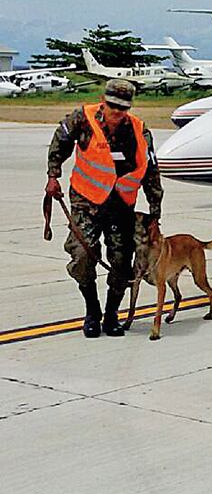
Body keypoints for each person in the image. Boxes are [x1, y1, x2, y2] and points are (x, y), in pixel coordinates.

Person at [45, 79, 163, 338]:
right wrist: (53, 176)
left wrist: (155, 214)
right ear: (103, 100)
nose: (117, 112)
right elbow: (59, 143)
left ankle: (111, 315)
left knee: (122, 262)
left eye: (123, 108)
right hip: (86, 202)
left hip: (121, 205)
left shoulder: (140, 132)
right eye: (112, 106)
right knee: (82, 256)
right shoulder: (83, 119)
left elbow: (151, 173)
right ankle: (92, 310)